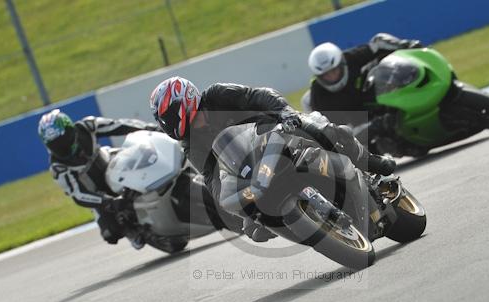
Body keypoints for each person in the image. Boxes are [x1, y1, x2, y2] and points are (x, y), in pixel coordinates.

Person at [149, 77, 397, 242]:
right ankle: (318, 229)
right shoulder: (190, 143)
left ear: (186, 98)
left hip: (278, 131)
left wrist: (286, 114)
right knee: (253, 229)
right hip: (254, 168)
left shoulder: (217, 95)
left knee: (324, 129)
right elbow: (211, 177)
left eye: (169, 115)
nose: (168, 123)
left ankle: (370, 161)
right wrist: (232, 207)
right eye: (163, 120)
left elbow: (257, 95)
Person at [37, 109, 160, 245]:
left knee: (146, 155)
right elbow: (78, 195)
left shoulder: (87, 126)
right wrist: (108, 201)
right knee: (110, 233)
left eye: (63, 140)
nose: (61, 146)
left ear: (71, 130)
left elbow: (118, 125)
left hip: (113, 163)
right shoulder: (58, 167)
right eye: (55, 145)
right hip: (97, 193)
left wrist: (149, 128)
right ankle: (141, 231)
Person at [305, 32, 423, 127]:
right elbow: (328, 132)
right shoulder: (318, 96)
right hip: (355, 128)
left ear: (342, 63)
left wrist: (406, 45)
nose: (331, 77)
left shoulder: (350, 58)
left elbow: (378, 43)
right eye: (326, 75)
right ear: (319, 77)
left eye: (334, 71)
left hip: (373, 102)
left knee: (382, 67)